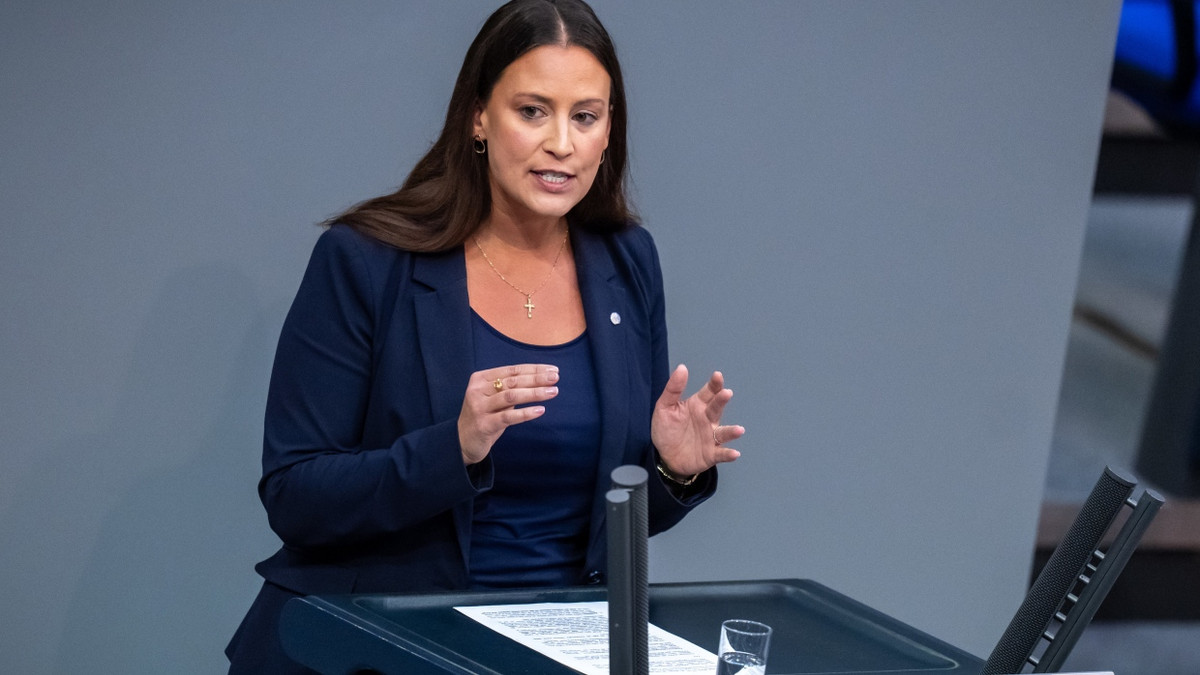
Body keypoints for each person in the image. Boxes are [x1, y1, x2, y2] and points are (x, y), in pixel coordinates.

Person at [225, 0, 744, 671]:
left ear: (608, 130)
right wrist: (454, 449)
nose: (562, 142)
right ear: (479, 117)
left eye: (585, 116)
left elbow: (601, 530)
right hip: (374, 649)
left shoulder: (627, 261)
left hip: (548, 652)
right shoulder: (367, 260)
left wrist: (671, 470)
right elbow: (295, 497)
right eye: (532, 111)